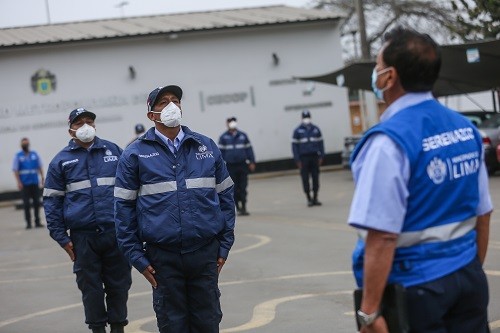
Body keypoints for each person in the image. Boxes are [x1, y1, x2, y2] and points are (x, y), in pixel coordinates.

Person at [348, 27, 493, 333]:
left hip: (416, 288)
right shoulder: (466, 130)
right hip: (468, 279)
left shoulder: (389, 143)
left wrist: (369, 313)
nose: (375, 75)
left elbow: (383, 235)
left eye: (377, 68)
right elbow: (483, 213)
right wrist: (469, 271)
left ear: (389, 77)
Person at [114, 85, 236, 333]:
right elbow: (123, 210)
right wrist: (136, 257)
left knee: (208, 323)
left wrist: (224, 245)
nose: (171, 106)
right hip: (162, 259)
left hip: (204, 254)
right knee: (173, 326)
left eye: (175, 100)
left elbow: (226, 197)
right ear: (151, 115)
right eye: (163, 102)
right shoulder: (134, 155)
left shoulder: (206, 146)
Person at [43, 108, 132, 333]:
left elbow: (130, 191)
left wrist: (131, 227)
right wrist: (61, 237)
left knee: (119, 284)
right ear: (71, 129)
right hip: (83, 238)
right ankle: (97, 328)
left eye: (89, 121)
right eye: (80, 122)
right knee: (90, 286)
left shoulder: (114, 152)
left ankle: (118, 326)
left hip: (115, 233)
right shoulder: (61, 161)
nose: (85, 125)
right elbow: (52, 201)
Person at [218, 116, 256, 216]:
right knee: (233, 187)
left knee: (243, 186)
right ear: (227, 124)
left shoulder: (243, 136)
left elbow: (249, 149)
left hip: (242, 165)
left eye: (233, 122)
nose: (231, 124)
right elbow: (220, 154)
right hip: (230, 166)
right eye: (229, 122)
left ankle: (244, 206)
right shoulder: (223, 137)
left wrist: (252, 161)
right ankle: (237, 206)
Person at [291, 110, 325, 207]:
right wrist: (297, 160)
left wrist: (321, 156)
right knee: (305, 178)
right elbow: (294, 147)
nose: (306, 119)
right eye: (305, 117)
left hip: (314, 156)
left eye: (308, 117)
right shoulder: (297, 131)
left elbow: (321, 144)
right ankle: (308, 198)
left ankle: (315, 197)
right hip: (303, 158)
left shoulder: (316, 129)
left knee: (315, 177)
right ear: (302, 118)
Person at [12, 137, 45, 229]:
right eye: (24, 144)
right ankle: (28, 223)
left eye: (26, 143)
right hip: (24, 183)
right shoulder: (18, 156)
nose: (25, 145)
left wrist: (42, 178)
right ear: (21, 145)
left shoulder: (34, 154)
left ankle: (37, 221)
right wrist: (18, 182)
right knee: (26, 204)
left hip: (34, 182)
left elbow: (40, 166)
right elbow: (15, 170)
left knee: (37, 203)